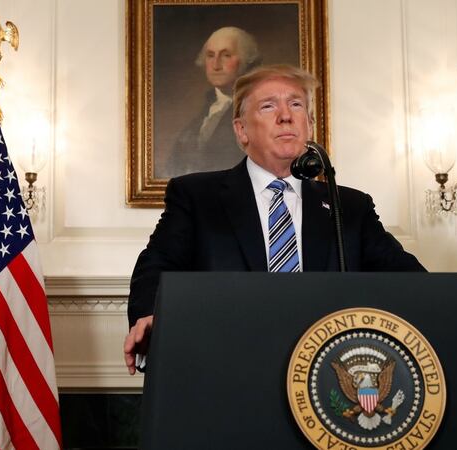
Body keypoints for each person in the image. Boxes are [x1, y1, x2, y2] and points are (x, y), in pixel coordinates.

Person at [124, 64, 425, 374]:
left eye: (296, 104)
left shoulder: (349, 206)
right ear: (241, 130)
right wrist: (150, 316)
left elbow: (410, 282)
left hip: (325, 377)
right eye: (269, 106)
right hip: (228, 369)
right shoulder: (197, 196)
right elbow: (157, 265)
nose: (286, 115)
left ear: (309, 124)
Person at [164, 26, 262, 177]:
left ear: (245, 61)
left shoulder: (259, 110)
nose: (216, 65)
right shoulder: (206, 111)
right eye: (210, 55)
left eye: (226, 55)